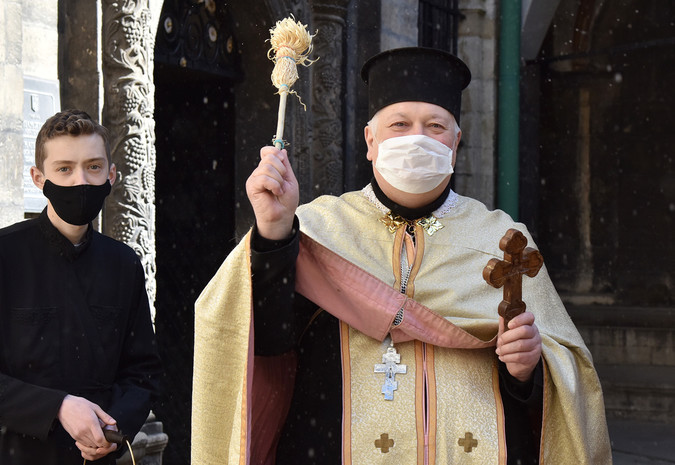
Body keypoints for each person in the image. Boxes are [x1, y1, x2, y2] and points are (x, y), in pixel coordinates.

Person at [192, 48, 611, 464]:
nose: (416, 138)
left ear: (457, 143)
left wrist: (527, 371)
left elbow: (567, 384)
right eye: (399, 125)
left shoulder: (502, 239)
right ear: (370, 140)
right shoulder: (318, 229)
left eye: (435, 126)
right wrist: (273, 233)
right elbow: (261, 342)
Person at [0, 109, 162, 464]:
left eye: (93, 167)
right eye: (64, 169)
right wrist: (57, 407)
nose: (80, 181)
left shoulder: (124, 264)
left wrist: (113, 432)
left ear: (111, 175)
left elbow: (142, 375)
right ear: (38, 178)